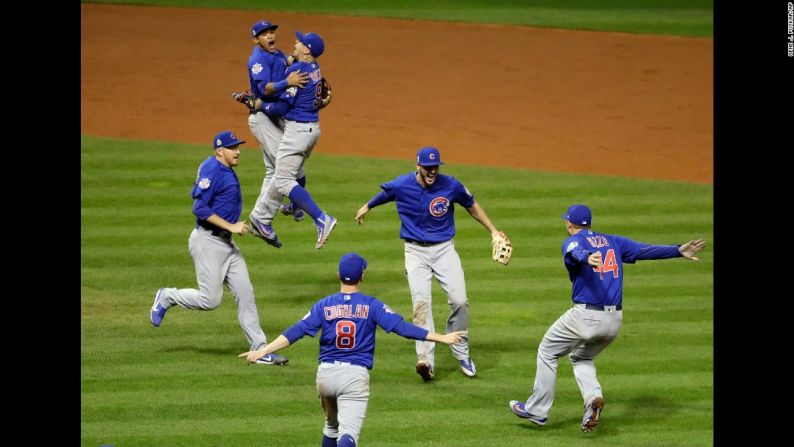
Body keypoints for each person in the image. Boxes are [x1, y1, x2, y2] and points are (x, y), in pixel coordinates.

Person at [508, 204, 706, 432]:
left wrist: (585, 257)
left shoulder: (574, 241)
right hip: (613, 322)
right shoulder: (613, 241)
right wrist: (677, 251)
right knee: (580, 357)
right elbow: (643, 250)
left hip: (585, 316)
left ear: (569, 224)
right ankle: (593, 399)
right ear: (590, 223)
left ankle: (537, 411)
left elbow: (573, 252)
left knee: (547, 351)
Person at [239, 253, 466, 447]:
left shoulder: (324, 305)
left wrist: (262, 351)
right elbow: (403, 328)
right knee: (348, 436)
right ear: (362, 276)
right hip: (354, 378)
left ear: (338, 275)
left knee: (331, 425)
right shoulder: (371, 305)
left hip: (325, 376)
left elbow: (294, 332)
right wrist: (442, 338)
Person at [354, 146, 506, 381]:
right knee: (421, 304)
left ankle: (461, 349)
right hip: (415, 252)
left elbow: (471, 205)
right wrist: (367, 206)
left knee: (460, 301)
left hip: (444, 250)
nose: (432, 170)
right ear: (418, 166)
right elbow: (387, 193)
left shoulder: (451, 185)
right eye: (428, 167)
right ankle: (425, 359)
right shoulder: (403, 184)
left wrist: (494, 232)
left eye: (435, 166)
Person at [150, 131, 288, 366]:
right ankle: (167, 296)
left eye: (238, 147)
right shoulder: (212, 169)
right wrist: (231, 226)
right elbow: (199, 208)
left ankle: (260, 349)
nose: (238, 151)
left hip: (226, 243)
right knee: (209, 300)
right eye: (232, 148)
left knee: (246, 293)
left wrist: (250, 227)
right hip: (208, 243)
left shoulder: (224, 170)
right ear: (219, 150)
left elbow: (226, 211)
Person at [250, 31, 337, 249]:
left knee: (283, 180)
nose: (295, 43)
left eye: (299, 42)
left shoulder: (297, 70)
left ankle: (322, 219)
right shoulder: (314, 68)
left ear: (307, 50)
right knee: (293, 172)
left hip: (297, 131)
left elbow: (281, 107)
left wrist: (259, 105)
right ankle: (295, 206)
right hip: (312, 130)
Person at [240, 19, 310, 249]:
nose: (270, 36)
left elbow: (285, 62)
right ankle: (262, 218)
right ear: (255, 39)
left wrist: (298, 59)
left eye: (271, 32)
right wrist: (287, 81)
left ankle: (284, 207)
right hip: (263, 118)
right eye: (264, 33)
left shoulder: (276, 53)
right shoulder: (257, 59)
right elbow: (265, 89)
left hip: (275, 117)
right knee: (286, 166)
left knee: (275, 170)